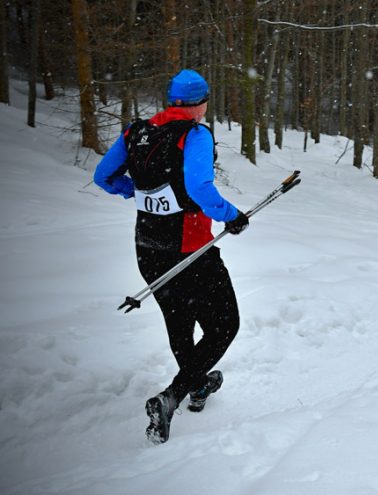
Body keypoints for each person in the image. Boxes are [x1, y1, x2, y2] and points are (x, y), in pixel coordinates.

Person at [94, 69, 249, 444]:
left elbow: (103, 175)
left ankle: (197, 385)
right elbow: (199, 188)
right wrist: (232, 216)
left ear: (171, 99)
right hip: (189, 251)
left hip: (147, 249)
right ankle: (172, 396)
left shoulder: (137, 132)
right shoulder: (195, 133)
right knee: (225, 325)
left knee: (179, 324)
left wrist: (133, 192)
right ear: (201, 102)